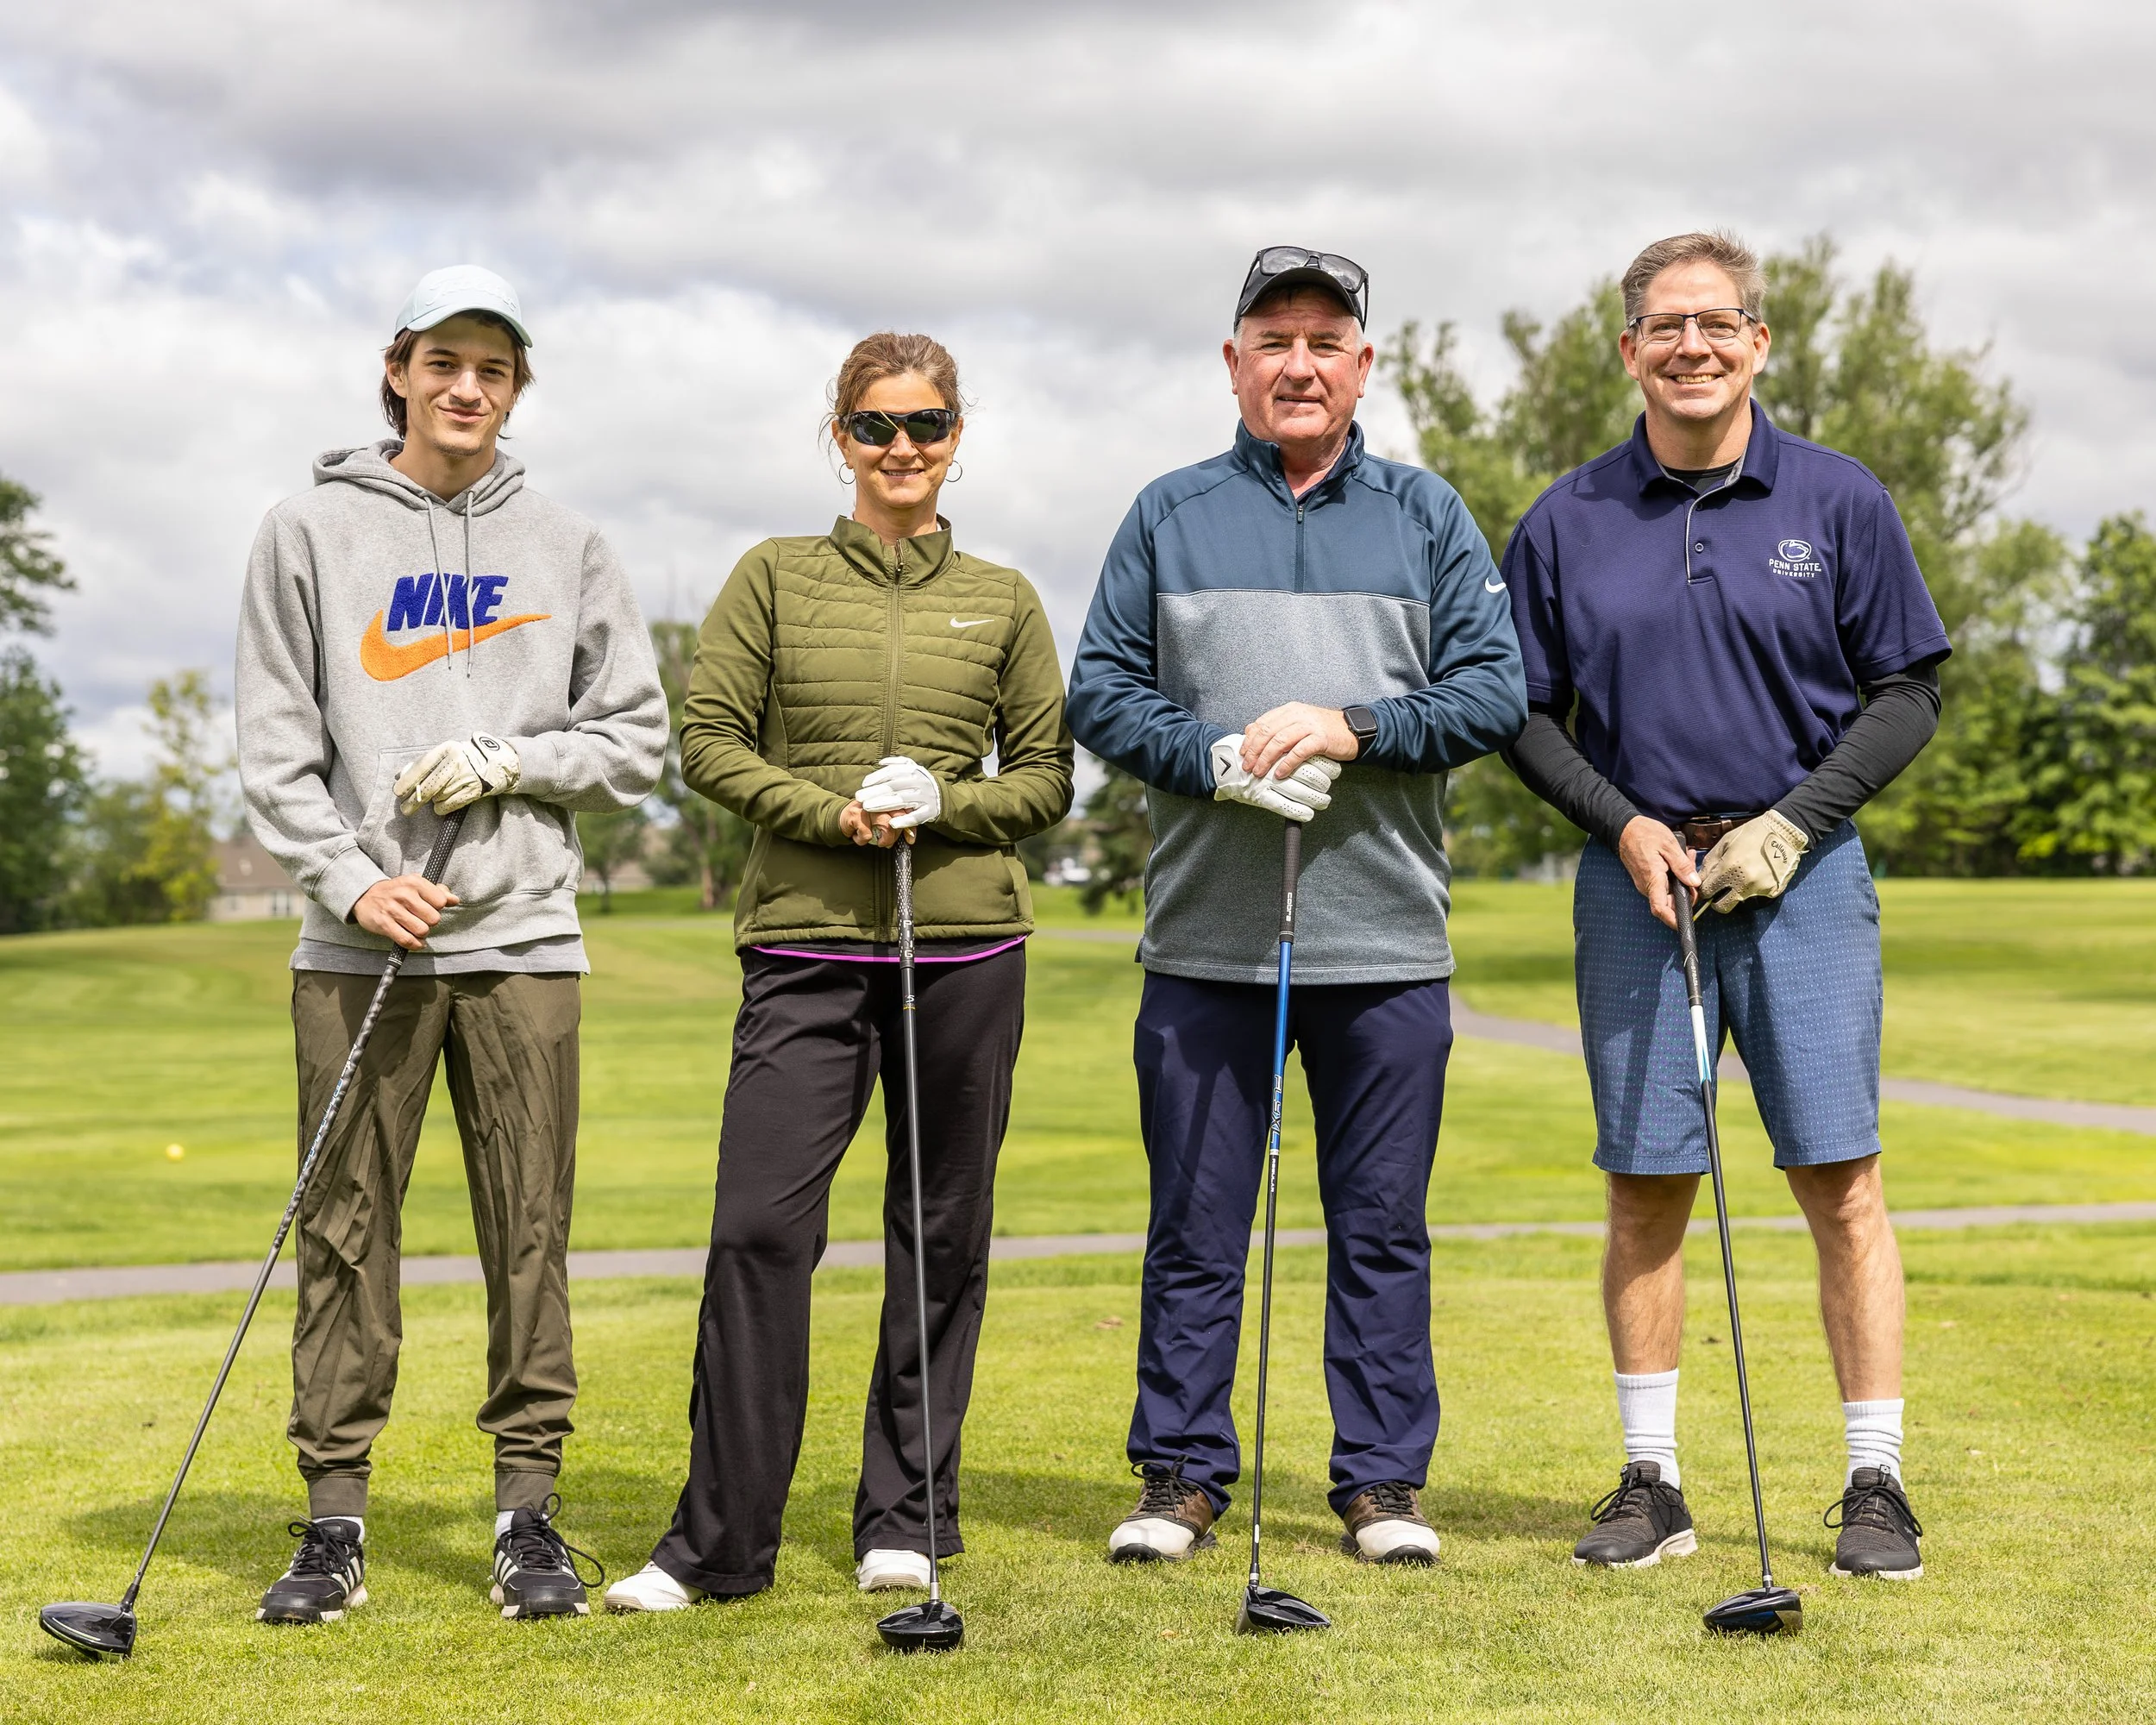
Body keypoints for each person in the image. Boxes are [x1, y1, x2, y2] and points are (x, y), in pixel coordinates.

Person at [1066, 248, 1526, 1568]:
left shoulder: (1427, 515)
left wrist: (1356, 724)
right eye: (1275, 338)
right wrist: (1209, 755)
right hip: (1208, 943)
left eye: (1328, 339)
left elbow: (1495, 694)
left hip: (1384, 940)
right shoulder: (1170, 511)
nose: (1301, 362)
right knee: (1196, 1227)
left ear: (1363, 365)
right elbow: (1099, 692)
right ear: (1235, 364)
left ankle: (1382, 1485)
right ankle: (1180, 1477)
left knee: (1379, 1227)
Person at [601, 332, 1074, 1613]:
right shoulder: (771, 577)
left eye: (924, 424)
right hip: (806, 941)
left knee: (940, 1234)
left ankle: (908, 1517)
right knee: (760, 1230)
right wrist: (833, 814)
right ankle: (718, 1544)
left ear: (956, 436)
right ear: (839, 438)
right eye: (875, 426)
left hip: (965, 946)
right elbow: (707, 743)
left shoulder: (1006, 596)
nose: (901, 447)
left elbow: (1046, 776)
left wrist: (950, 803)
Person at [1500, 230, 1947, 1581]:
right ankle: (1654, 1483)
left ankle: (1876, 1485)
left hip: (1802, 881)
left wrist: (1797, 826)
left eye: (1718, 323)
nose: (1691, 345)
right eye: (1664, 326)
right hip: (1639, 885)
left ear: (1757, 342)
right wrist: (1621, 821)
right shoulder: (1566, 518)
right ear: (1629, 349)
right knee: (1646, 1184)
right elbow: (1517, 712)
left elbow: (1908, 690)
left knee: (1841, 1179)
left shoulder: (1838, 498)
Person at [235, 264, 668, 1624]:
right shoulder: (304, 532)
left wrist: (515, 758)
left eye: (494, 367)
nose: (466, 387)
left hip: (524, 940)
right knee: (347, 1228)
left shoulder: (569, 541)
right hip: (358, 950)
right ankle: (333, 1523)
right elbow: (273, 750)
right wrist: (354, 882)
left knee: (527, 1229)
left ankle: (528, 1518)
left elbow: (639, 739)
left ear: (517, 386)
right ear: (399, 370)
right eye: (444, 363)